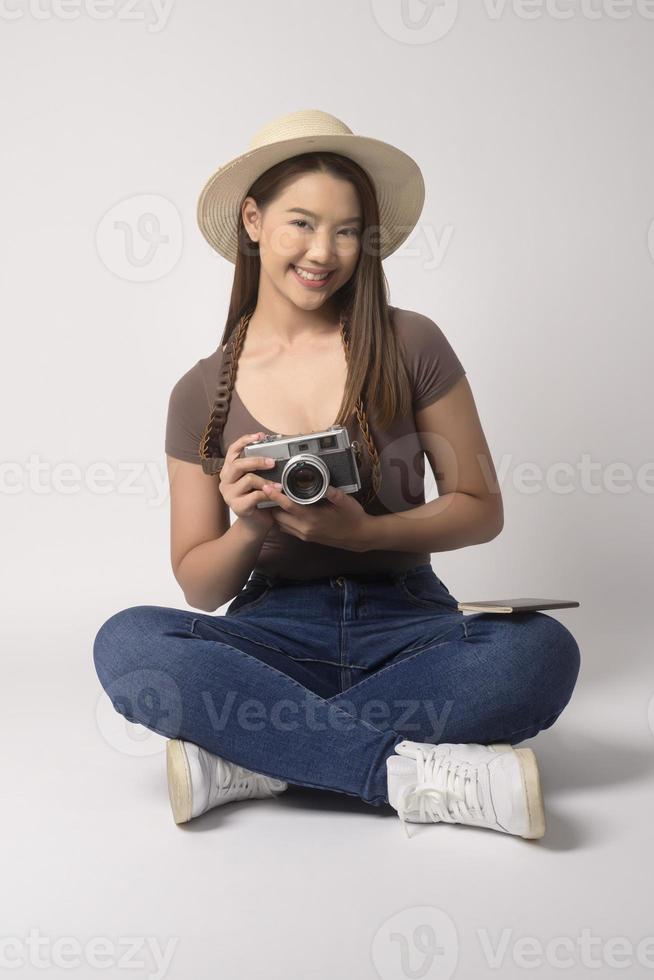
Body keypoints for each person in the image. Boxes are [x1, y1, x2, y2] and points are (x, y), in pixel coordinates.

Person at [93, 109, 581, 840]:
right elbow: (200, 585)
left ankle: (260, 758)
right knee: (127, 645)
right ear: (252, 222)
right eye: (301, 223)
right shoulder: (199, 392)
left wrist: (365, 534)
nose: (325, 251)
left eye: (347, 230)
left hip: (408, 623)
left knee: (540, 652)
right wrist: (252, 522)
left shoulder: (411, 342)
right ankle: (411, 776)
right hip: (272, 632)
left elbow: (481, 508)